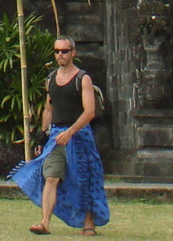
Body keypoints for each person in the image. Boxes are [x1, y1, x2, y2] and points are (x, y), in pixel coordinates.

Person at [12, 37, 109, 236]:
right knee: (51, 176)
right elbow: (48, 109)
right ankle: (44, 222)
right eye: (57, 51)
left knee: (84, 178)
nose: (60, 55)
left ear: (73, 53)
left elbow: (89, 111)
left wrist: (71, 131)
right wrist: (43, 136)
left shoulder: (83, 79)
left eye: (64, 51)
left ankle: (89, 223)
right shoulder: (51, 79)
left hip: (79, 136)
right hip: (56, 137)